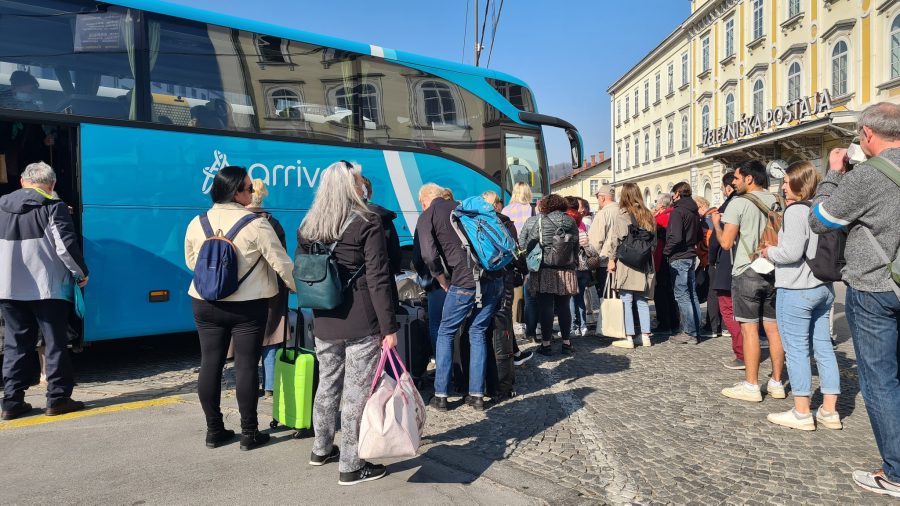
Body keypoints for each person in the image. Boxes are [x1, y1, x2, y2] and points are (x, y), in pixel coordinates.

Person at [808, 103, 900, 498]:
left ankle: (895, 473)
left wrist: (833, 174)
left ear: (866, 135)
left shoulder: (869, 176)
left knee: (880, 380)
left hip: (874, 286)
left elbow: (820, 220)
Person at [297, 160, 398, 485]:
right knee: (356, 392)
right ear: (351, 186)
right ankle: (351, 466)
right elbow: (378, 278)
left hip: (324, 317)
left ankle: (321, 448)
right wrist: (389, 327)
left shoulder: (309, 224)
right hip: (360, 320)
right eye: (357, 180)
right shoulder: (367, 221)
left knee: (327, 384)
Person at [184, 166, 296, 451]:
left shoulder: (198, 222)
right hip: (247, 306)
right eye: (248, 188)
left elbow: (192, 262)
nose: (251, 192)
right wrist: (298, 288)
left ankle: (214, 430)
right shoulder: (256, 224)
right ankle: (250, 433)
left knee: (210, 363)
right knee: (246, 365)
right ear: (236, 192)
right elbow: (280, 263)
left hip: (204, 302)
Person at [0, 162, 88, 420]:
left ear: (22, 182)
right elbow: (64, 246)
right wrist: (81, 274)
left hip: (8, 288)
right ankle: (58, 398)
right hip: (46, 288)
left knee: (15, 345)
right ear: (52, 184)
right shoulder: (53, 206)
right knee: (54, 343)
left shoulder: (2, 205)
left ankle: (12, 402)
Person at [759, 161, 840, 431]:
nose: (782, 186)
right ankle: (829, 410)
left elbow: (791, 254)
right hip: (822, 286)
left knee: (796, 351)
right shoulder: (820, 209)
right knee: (824, 348)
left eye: (786, 182)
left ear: (797, 184)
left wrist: (769, 252)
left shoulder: (795, 212)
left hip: (796, 288)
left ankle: (802, 411)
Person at [417, 187, 503, 412]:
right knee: (477, 332)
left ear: (424, 201)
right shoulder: (464, 207)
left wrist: (441, 279)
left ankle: (441, 395)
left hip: (464, 280)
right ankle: (476, 395)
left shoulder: (428, 215)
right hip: (493, 277)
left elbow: (428, 254)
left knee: (446, 331)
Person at [712, 160, 786, 403]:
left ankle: (752, 385)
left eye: (736, 177)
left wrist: (716, 224)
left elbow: (725, 243)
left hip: (747, 270)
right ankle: (776, 382)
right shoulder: (777, 200)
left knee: (750, 329)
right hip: (775, 269)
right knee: (774, 329)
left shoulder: (738, 203)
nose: (733, 182)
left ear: (749, 179)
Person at [519, 193, 579, 356]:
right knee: (564, 306)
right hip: (566, 268)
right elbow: (575, 243)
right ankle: (566, 343)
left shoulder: (537, 220)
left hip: (543, 268)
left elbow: (525, 243)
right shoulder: (570, 220)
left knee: (545, 306)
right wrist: (575, 264)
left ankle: (546, 344)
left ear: (544, 206)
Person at [245, 179, 287, 400]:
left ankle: (250, 385)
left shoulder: (240, 222)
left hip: (246, 291)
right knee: (271, 338)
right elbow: (282, 259)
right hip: (272, 289)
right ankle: (269, 387)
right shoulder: (274, 223)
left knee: (248, 340)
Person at [482, 190, 533, 368]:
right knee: (504, 316)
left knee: (486, 316)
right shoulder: (503, 221)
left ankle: (511, 352)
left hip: (483, 276)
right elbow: (515, 250)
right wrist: (524, 270)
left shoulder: (474, 220)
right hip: (504, 275)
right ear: (496, 204)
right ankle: (511, 355)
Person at [607, 183, 656, 349]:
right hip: (644, 261)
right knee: (642, 300)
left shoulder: (623, 214)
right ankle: (645, 336)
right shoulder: (648, 214)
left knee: (626, 299)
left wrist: (611, 259)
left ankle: (629, 337)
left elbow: (616, 239)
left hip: (627, 261)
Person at [710, 172, 744, 370]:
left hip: (730, 262)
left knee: (729, 309)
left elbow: (720, 241)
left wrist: (716, 224)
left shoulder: (731, 206)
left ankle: (741, 352)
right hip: (749, 263)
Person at [412, 184, 449, 356]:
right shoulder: (456, 211)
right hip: (461, 278)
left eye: (421, 203)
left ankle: (442, 370)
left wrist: (435, 278)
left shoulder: (426, 218)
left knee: (437, 325)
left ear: (426, 200)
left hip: (438, 281)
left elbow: (422, 256)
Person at [664, 182, 702, 344]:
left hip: (679, 256)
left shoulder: (678, 211)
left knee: (682, 295)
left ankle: (689, 332)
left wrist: (667, 251)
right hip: (690, 255)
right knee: (691, 294)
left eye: (673, 193)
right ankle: (695, 330)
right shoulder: (694, 211)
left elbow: (676, 237)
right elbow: (699, 235)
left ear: (677, 194)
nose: (672, 196)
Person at [502, 182, 533, 337]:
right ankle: (533, 324)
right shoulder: (531, 209)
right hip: (529, 252)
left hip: (512, 252)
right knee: (532, 289)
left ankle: (517, 323)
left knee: (515, 288)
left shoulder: (505, 210)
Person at [588, 184, 618, 332]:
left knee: (606, 294)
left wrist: (590, 258)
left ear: (602, 197)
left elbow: (595, 240)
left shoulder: (603, 214)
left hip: (605, 260)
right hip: (623, 260)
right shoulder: (623, 210)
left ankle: (610, 326)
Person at [651, 193, 679, 334]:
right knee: (670, 291)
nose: (655, 205)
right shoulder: (674, 215)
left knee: (660, 292)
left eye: (656, 202)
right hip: (672, 257)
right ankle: (674, 322)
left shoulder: (662, 217)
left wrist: (652, 216)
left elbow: (651, 229)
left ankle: (664, 323)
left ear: (662, 205)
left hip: (661, 257)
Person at [566, 196, 592, 337]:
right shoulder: (583, 228)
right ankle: (583, 325)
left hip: (572, 267)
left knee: (571, 298)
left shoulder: (568, 229)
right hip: (584, 267)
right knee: (580, 297)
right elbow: (589, 247)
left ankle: (573, 326)